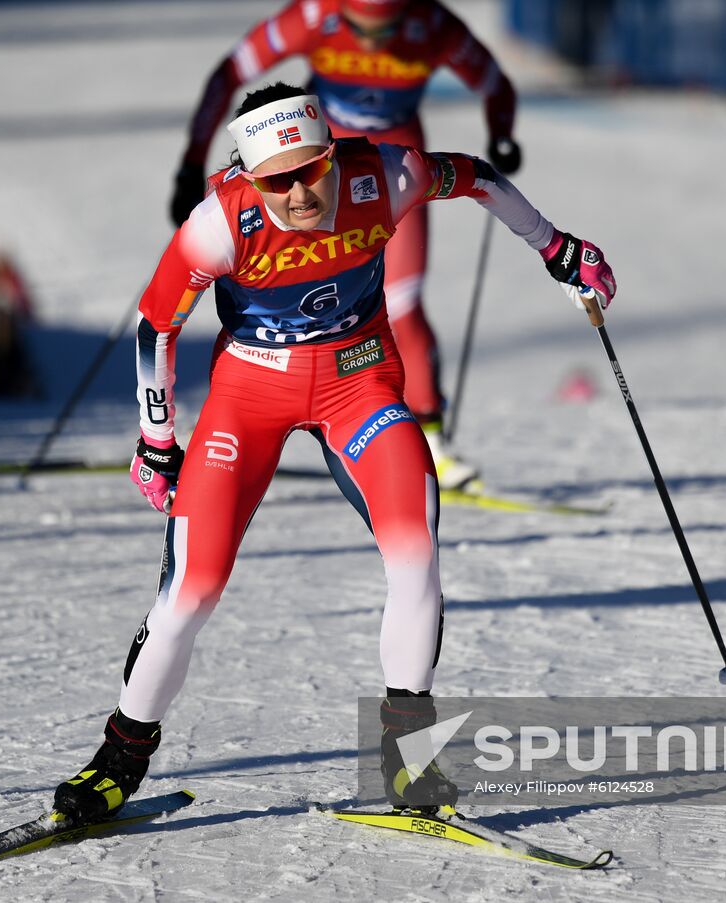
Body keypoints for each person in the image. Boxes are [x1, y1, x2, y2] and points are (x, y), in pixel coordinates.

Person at [52, 84, 615, 824]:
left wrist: (557, 246)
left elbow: (476, 175)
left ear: (331, 154)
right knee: (191, 591)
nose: (297, 192)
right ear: (249, 176)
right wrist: (158, 440)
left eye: (310, 169)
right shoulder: (220, 222)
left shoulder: (383, 174)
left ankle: (410, 761)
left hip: (360, 385)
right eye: (276, 179)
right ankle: (117, 763)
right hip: (249, 397)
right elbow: (156, 325)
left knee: (415, 554)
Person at [170, 0, 523, 490]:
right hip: (312, 165)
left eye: (388, 28)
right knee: (266, 286)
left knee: (401, 300)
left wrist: (501, 132)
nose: (375, 41)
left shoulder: (434, 24)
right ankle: (230, 426)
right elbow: (229, 74)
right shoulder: (315, 16)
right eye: (361, 29)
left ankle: (431, 441)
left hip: (386, 167)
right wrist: (192, 162)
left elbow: (494, 83)